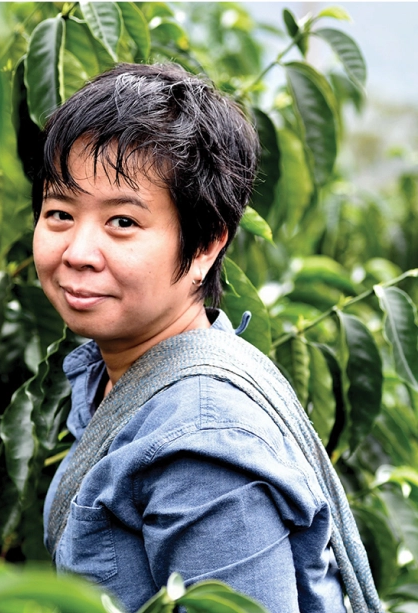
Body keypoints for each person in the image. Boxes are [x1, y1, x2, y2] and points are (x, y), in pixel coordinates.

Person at [31, 63, 381, 613]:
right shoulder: (117, 374)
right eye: (59, 213)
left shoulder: (200, 445)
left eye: (122, 222)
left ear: (204, 248)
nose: (77, 251)